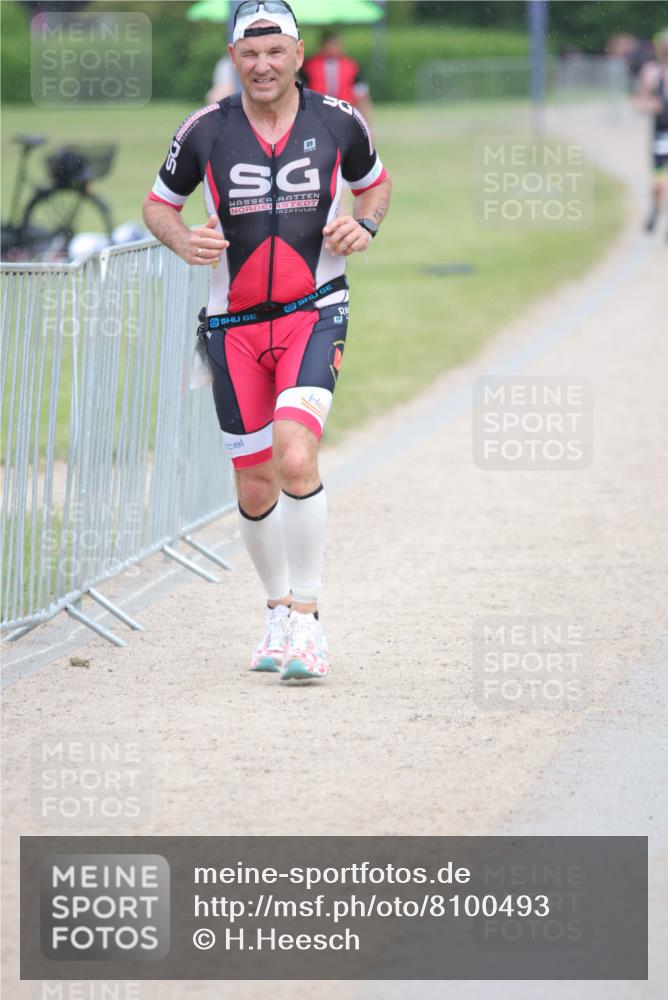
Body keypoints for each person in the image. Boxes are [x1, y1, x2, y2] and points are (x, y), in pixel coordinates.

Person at [142, 0, 391, 682]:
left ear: (297, 53)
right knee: (253, 484)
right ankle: (276, 610)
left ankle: (308, 622)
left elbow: (375, 186)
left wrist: (364, 227)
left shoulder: (338, 121)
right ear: (233, 58)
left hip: (316, 311)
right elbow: (159, 204)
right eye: (249, 53)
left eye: (275, 51)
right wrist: (182, 237)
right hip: (232, 328)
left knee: (294, 453)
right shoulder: (204, 130)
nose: (262, 64)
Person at [634, 29, 668, 233]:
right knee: (658, 183)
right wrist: (651, 105)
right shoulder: (652, 72)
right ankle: (655, 209)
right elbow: (639, 100)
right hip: (661, 135)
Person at [302, 29, 372, 122]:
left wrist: (365, 118)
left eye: (336, 44)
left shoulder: (352, 66)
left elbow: (361, 94)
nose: (333, 48)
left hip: (345, 111)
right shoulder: (309, 65)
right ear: (322, 45)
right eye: (330, 44)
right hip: (317, 111)